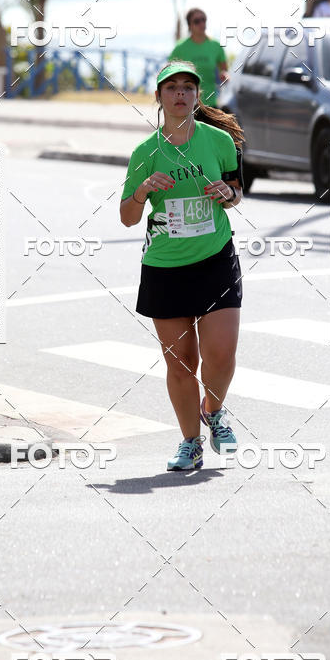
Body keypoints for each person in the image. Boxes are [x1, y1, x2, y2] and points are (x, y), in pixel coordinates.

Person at [120, 60, 244, 471]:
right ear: (158, 97)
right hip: (166, 266)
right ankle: (190, 441)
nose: (179, 94)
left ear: (196, 96)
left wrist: (227, 193)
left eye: (187, 88)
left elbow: (235, 192)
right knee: (182, 362)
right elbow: (126, 217)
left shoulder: (219, 141)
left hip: (215, 257)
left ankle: (214, 410)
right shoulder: (145, 153)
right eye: (171, 88)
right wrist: (142, 191)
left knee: (221, 355)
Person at [169, 8, 228, 107]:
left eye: (203, 20)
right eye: (197, 21)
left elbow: (225, 71)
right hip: (185, 104)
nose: (202, 23)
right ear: (189, 25)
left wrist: (225, 76)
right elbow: (170, 73)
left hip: (210, 104)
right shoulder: (180, 47)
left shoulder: (216, 46)